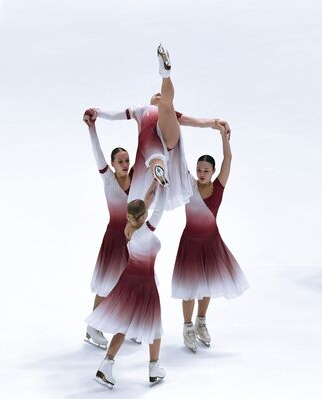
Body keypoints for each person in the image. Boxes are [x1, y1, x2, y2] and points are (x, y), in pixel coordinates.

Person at [85, 44, 231, 210]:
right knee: (155, 152)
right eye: (157, 95)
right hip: (155, 142)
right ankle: (158, 171)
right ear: (151, 97)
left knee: (166, 111)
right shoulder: (140, 110)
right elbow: (115, 115)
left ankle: (165, 74)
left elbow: (195, 122)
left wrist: (214, 123)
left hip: (164, 140)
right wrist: (98, 112)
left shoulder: (151, 112)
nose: (158, 96)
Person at [171, 124, 249, 352]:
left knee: (206, 285)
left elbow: (228, 158)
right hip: (190, 243)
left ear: (213, 172)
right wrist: (175, 130)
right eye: (199, 169)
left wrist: (224, 137)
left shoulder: (218, 187)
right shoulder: (189, 185)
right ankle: (187, 327)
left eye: (206, 170)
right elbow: (178, 157)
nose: (201, 173)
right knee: (189, 288)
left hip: (211, 242)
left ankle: (201, 321)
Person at [86, 181, 167, 389]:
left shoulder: (129, 228)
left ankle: (106, 365)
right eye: (144, 212)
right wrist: (165, 189)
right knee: (154, 326)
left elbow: (148, 205)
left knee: (123, 326)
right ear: (142, 217)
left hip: (129, 280)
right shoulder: (144, 232)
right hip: (144, 284)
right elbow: (159, 210)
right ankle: (154, 367)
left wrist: (154, 185)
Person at [82, 116, 132, 350]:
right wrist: (92, 128)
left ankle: (128, 324)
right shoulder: (108, 179)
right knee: (107, 283)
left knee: (131, 283)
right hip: (114, 237)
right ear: (112, 164)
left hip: (132, 238)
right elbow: (97, 152)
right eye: (120, 161)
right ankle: (93, 326)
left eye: (127, 160)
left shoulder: (138, 179)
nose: (124, 163)